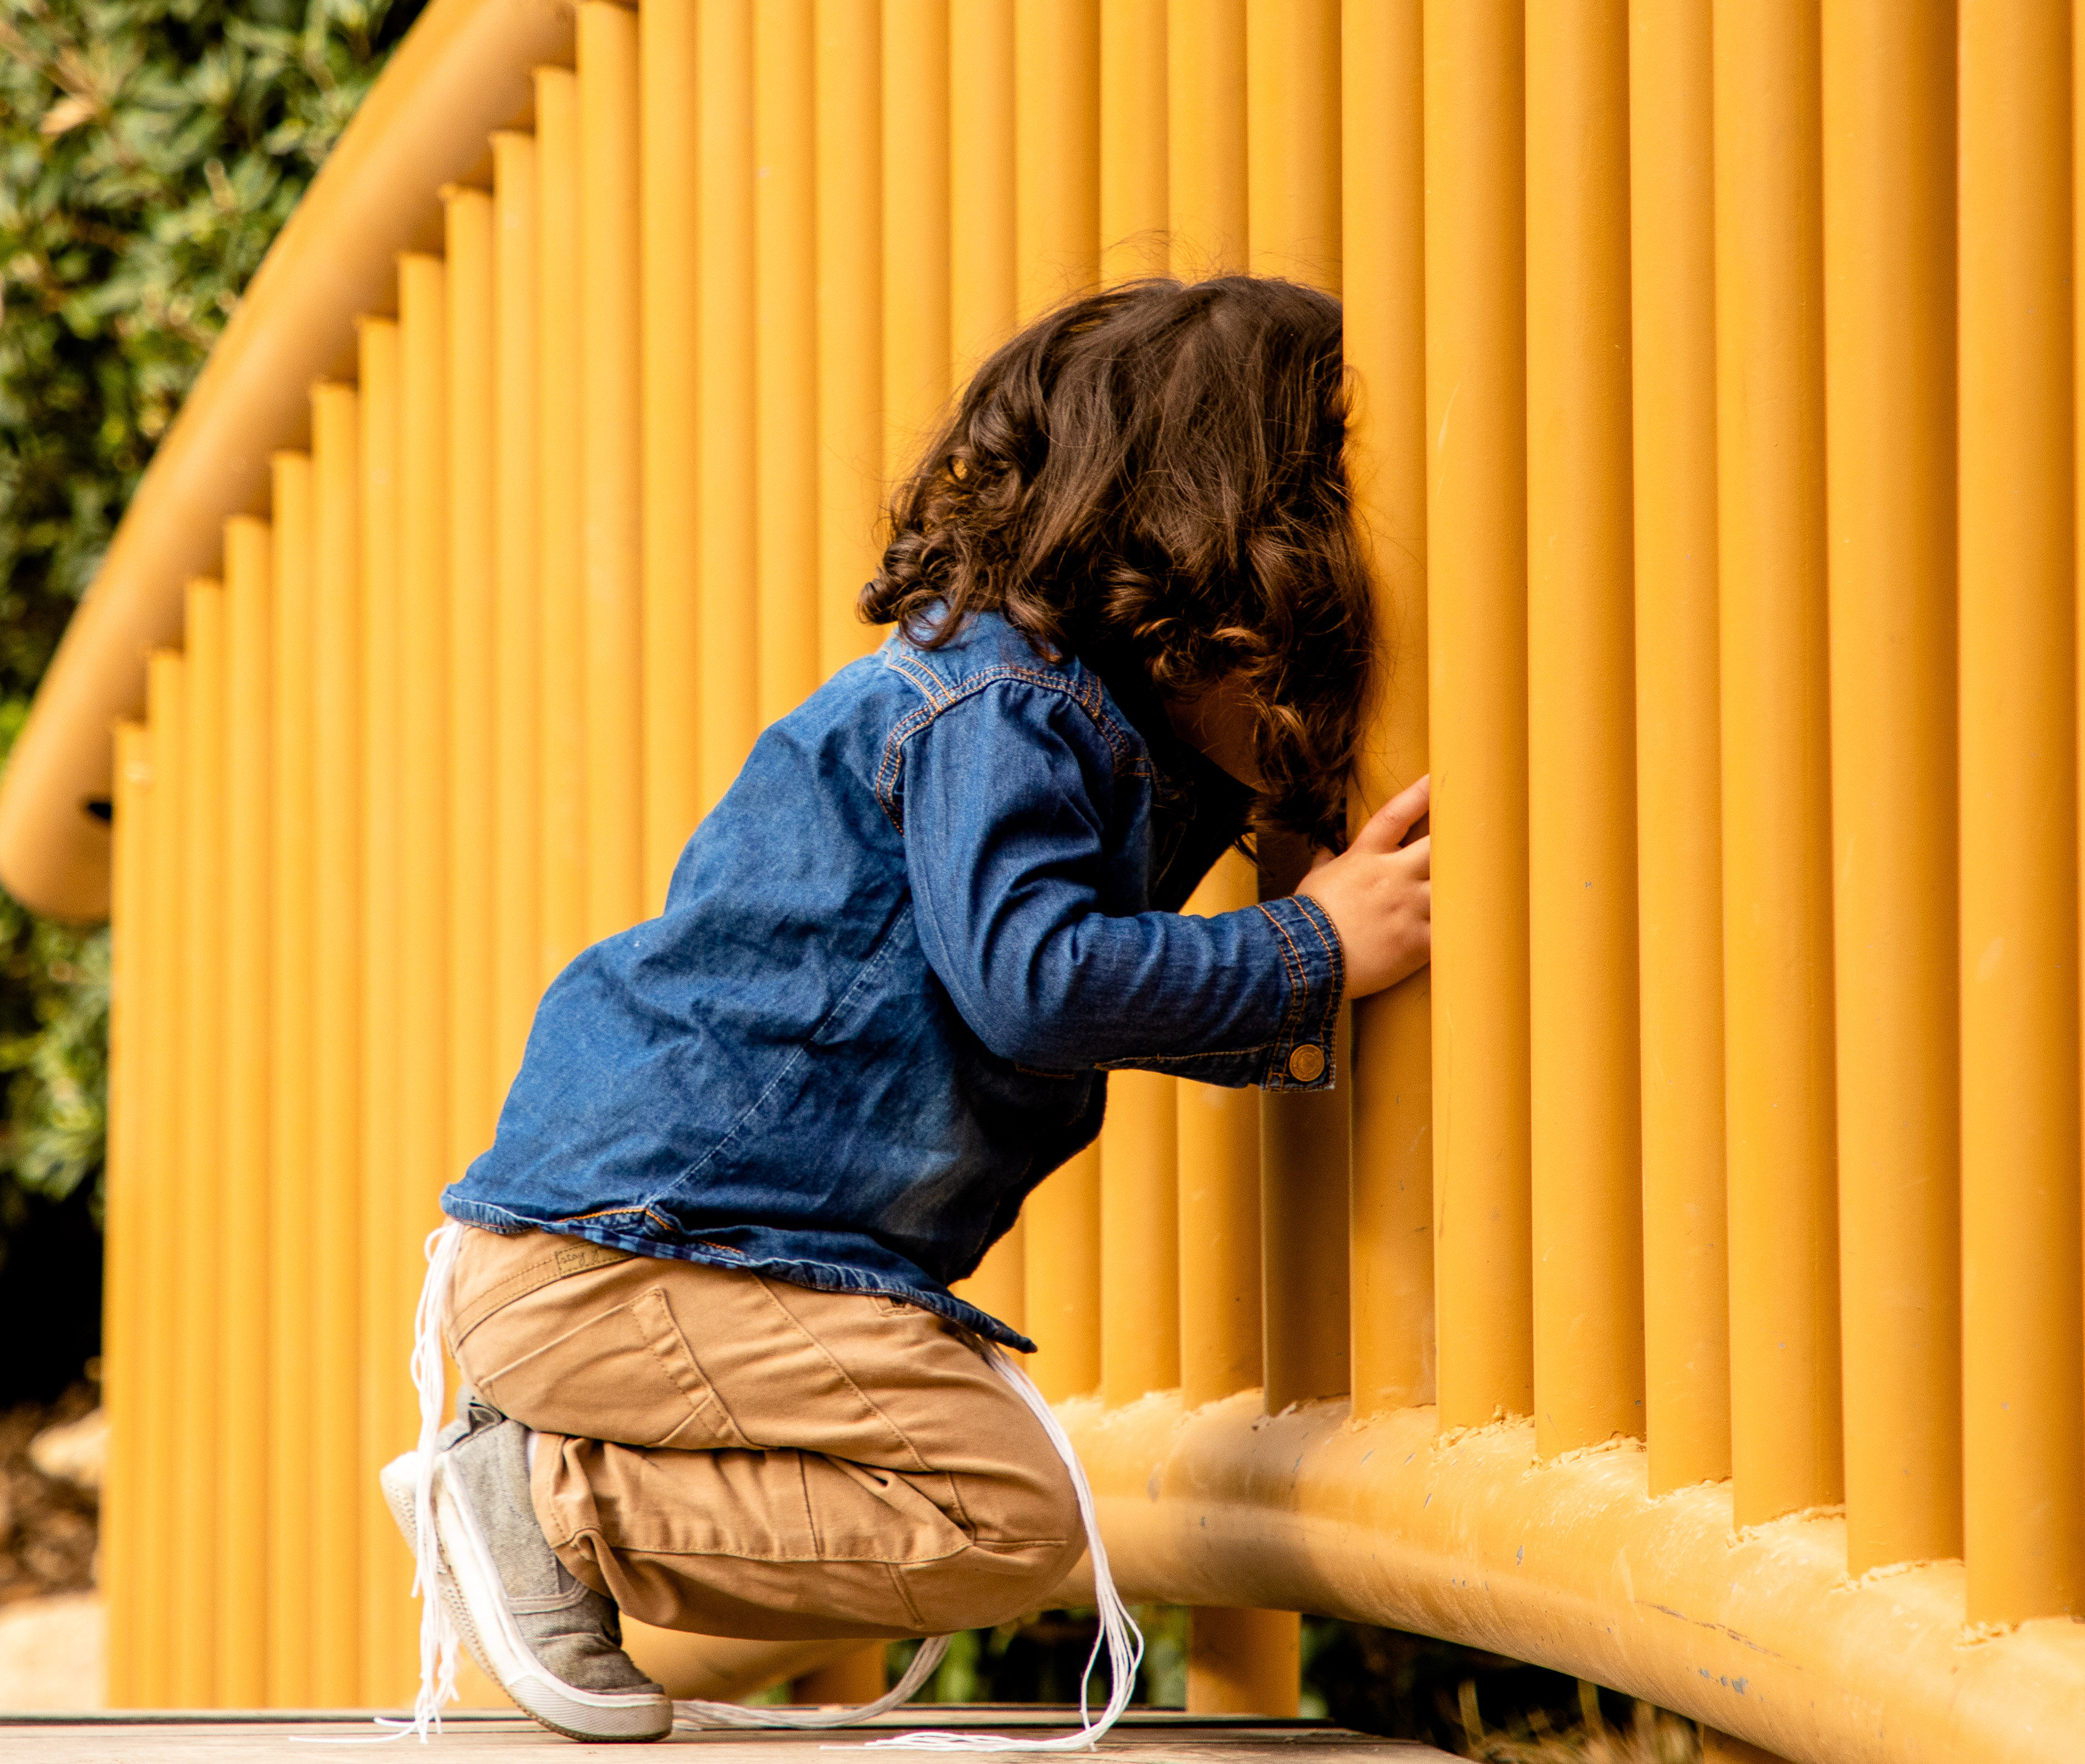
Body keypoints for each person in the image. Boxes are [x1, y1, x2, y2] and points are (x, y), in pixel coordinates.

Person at [385, 276, 1435, 1742]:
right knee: (997, 1513)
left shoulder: (1037, 707)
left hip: (633, 1258)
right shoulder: (1004, 710)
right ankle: (553, 1498)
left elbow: (1066, 983)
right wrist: (1310, 946)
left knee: (997, 1513)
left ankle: (543, 1481)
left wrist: (1281, 893)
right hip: (634, 1266)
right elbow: (1039, 985)